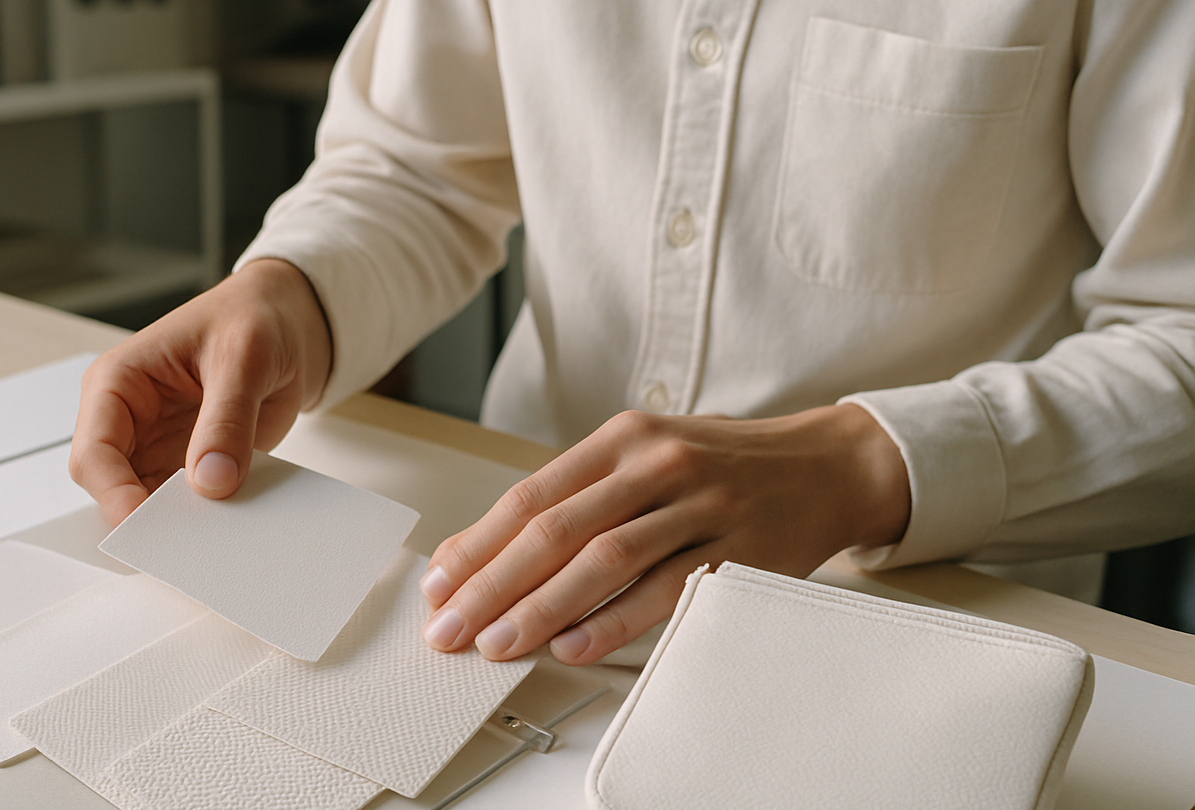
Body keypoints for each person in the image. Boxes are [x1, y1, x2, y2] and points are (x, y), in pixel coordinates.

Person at [71, 1, 1195, 667]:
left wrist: (864, 467)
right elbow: (413, 167)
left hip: (921, 625)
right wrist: (293, 290)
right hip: (500, 581)